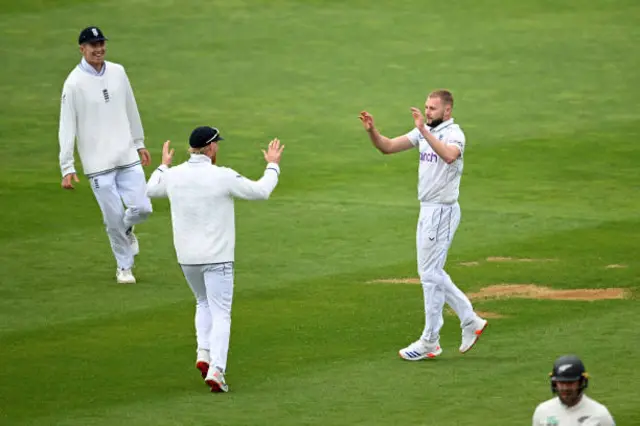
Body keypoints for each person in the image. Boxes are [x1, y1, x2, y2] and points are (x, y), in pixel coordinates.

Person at [146, 126, 284, 393]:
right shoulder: (221, 176)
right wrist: (273, 166)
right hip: (217, 257)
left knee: (202, 302)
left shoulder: (174, 176)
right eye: (216, 145)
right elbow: (261, 191)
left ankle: (204, 353)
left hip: (187, 258)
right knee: (221, 313)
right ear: (209, 148)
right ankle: (217, 370)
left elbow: (151, 189)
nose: (217, 149)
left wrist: (163, 166)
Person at [359, 89, 487, 360]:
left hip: (442, 210)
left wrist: (424, 132)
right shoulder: (423, 131)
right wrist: (372, 131)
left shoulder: (454, 134)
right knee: (430, 272)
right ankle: (467, 321)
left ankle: (433, 338)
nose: (427, 112)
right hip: (427, 209)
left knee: (430, 274)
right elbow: (388, 147)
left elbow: (450, 156)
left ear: (447, 111)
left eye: (432, 108)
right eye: (426, 107)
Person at [58, 26, 153, 284]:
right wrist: (67, 166)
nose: (98, 49)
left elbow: (130, 107)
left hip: (126, 153)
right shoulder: (73, 84)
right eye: (92, 45)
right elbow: (67, 126)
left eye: (101, 43)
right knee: (112, 218)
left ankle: (127, 228)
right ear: (82, 49)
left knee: (143, 208)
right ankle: (124, 267)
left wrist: (139, 141)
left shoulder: (118, 72)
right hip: (97, 162)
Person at [532, 355, 615, 425]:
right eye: (561, 383)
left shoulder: (600, 415)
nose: (565, 388)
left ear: (581, 382)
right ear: (555, 383)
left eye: (570, 383)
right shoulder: (542, 412)